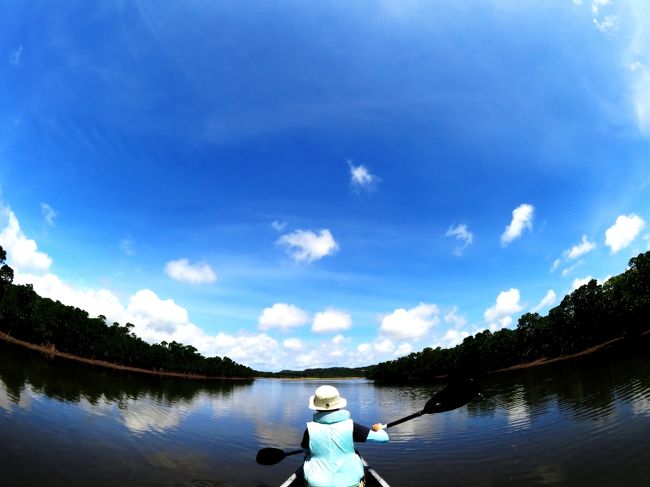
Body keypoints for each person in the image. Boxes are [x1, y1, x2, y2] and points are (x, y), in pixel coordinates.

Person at [301, 385, 389, 487]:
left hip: (316, 484)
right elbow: (384, 438)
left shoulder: (309, 430)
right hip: (351, 483)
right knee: (355, 453)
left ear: (316, 407)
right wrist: (379, 429)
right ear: (338, 405)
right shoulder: (351, 427)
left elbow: (305, 450)